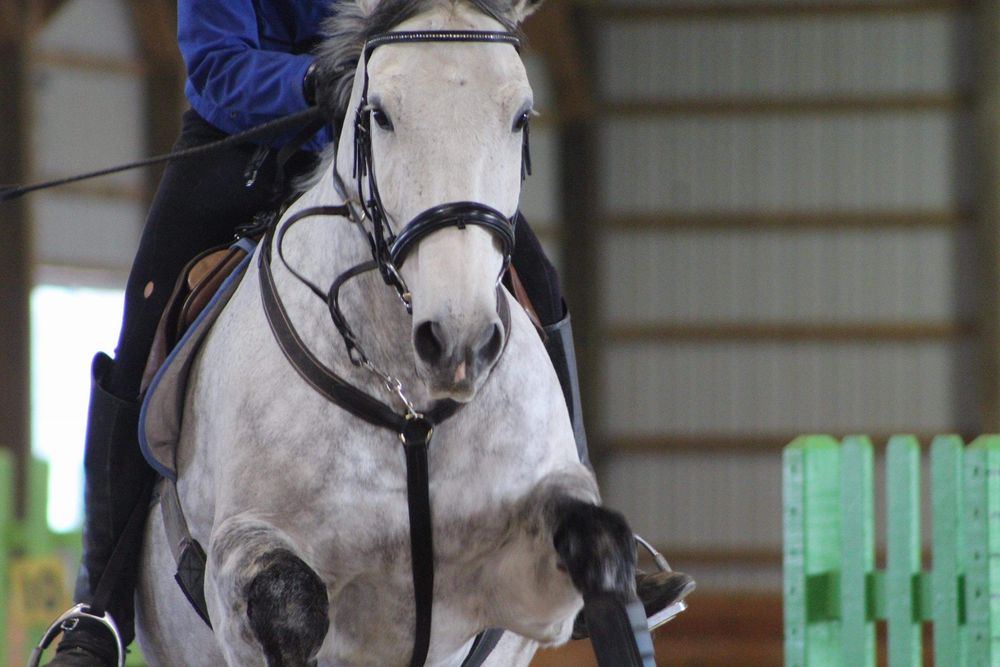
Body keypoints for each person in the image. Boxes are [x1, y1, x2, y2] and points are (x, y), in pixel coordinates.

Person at [46, 2, 685, 665]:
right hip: (242, 144)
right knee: (144, 314)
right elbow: (215, 69)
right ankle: (102, 604)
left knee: (540, 286)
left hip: (393, 141)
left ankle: (586, 538)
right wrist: (313, 84)